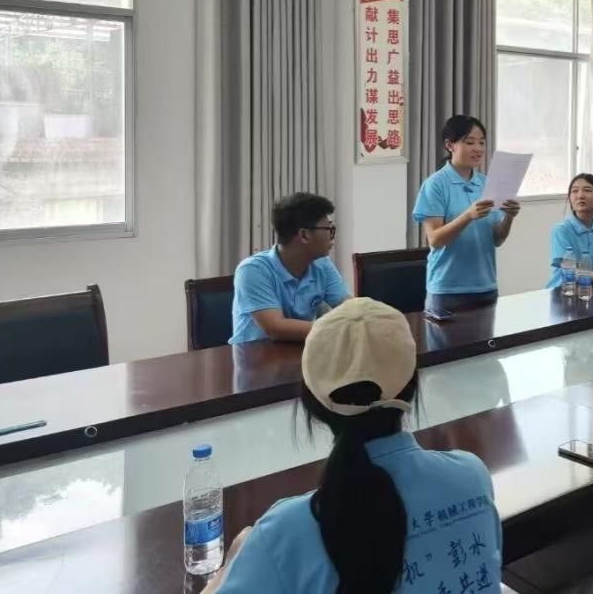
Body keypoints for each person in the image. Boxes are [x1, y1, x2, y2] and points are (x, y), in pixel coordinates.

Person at [206, 298, 502, 594]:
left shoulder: (283, 535)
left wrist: (231, 566)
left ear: (312, 402)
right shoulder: (472, 476)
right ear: (412, 385)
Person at [413, 115, 520, 308]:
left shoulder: (487, 183)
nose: (478, 148)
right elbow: (435, 240)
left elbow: (497, 239)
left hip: (486, 286)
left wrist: (509, 218)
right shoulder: (435, 184)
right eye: (470, 142)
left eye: (482, 142)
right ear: (450, 145)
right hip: (447, 289)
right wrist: (468, 216)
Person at [229, 192, 350, 344]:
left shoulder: (322, 264)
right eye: (328, 229)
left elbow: (349, 308)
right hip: (255, 355)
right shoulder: (252, 270)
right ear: (304, 235)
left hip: (300, 350)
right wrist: (336, 329)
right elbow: (276, 327)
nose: (332, 236)